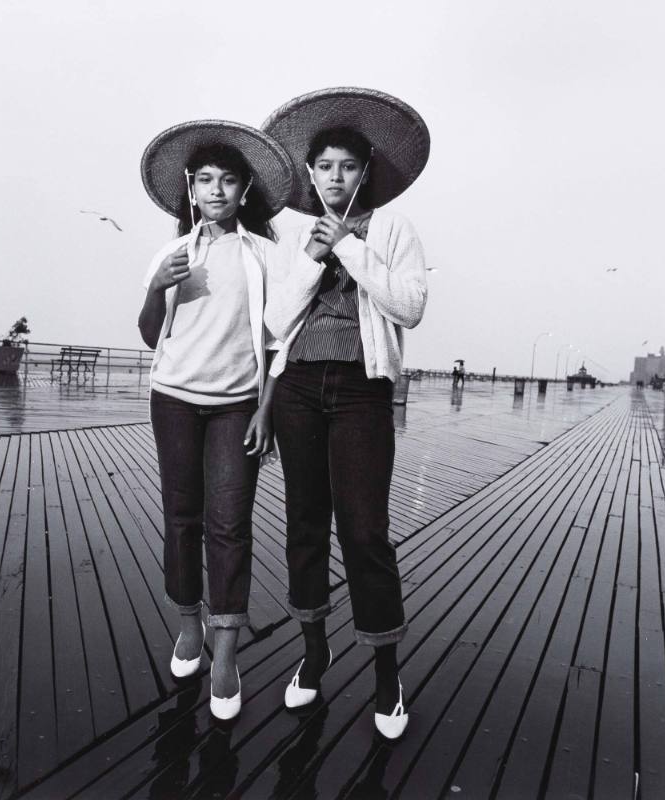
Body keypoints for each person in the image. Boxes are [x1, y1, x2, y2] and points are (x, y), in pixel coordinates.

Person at [262, 87, 430, 739]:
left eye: (348, 167)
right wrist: (310, 257)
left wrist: (351, 250)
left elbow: (409, 307)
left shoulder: (392, 228)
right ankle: (313, 652)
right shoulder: (291, 234)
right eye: (324, 166)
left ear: (365, 173)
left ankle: (386, 674)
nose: (335, 177)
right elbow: (273, 322)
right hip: (297, 387)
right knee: (304, 525)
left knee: (363, 532)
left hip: (361, 388)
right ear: (310, 172)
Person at [137, 120, 292, 720]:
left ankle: (225, 652)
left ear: (245, 189)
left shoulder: (264, 257)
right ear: (189, 188)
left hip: (236, 406)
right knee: (182, 518)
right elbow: (153, 336)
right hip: (173, 398)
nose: (217, 190)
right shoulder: (172, 255)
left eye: (229, 180)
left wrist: (266, 408)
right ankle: (188, 627)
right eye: (206, 180)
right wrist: (156, 287)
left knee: (229, 525)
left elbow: (282, 339)